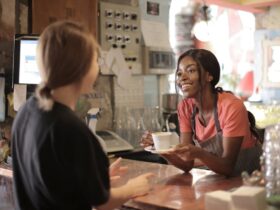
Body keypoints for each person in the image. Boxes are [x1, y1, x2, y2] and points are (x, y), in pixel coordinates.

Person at [11, 20, 154, 210]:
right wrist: (131, 188)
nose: (99, 67)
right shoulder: (70, 128)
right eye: (95, 60)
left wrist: (94, 177)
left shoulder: (27, 111)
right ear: (81, 68)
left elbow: (55, 179)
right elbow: (102, 203)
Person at [141, 49, 262, 176]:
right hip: (220, 179)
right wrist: (161, 148)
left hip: (250, 180)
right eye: (179, 73)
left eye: (191, 70)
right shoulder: (185, 107)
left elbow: (227, 166)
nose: (183, 78)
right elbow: (187, 164)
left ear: (209, 76)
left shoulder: (231, 106)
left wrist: (199, 153)